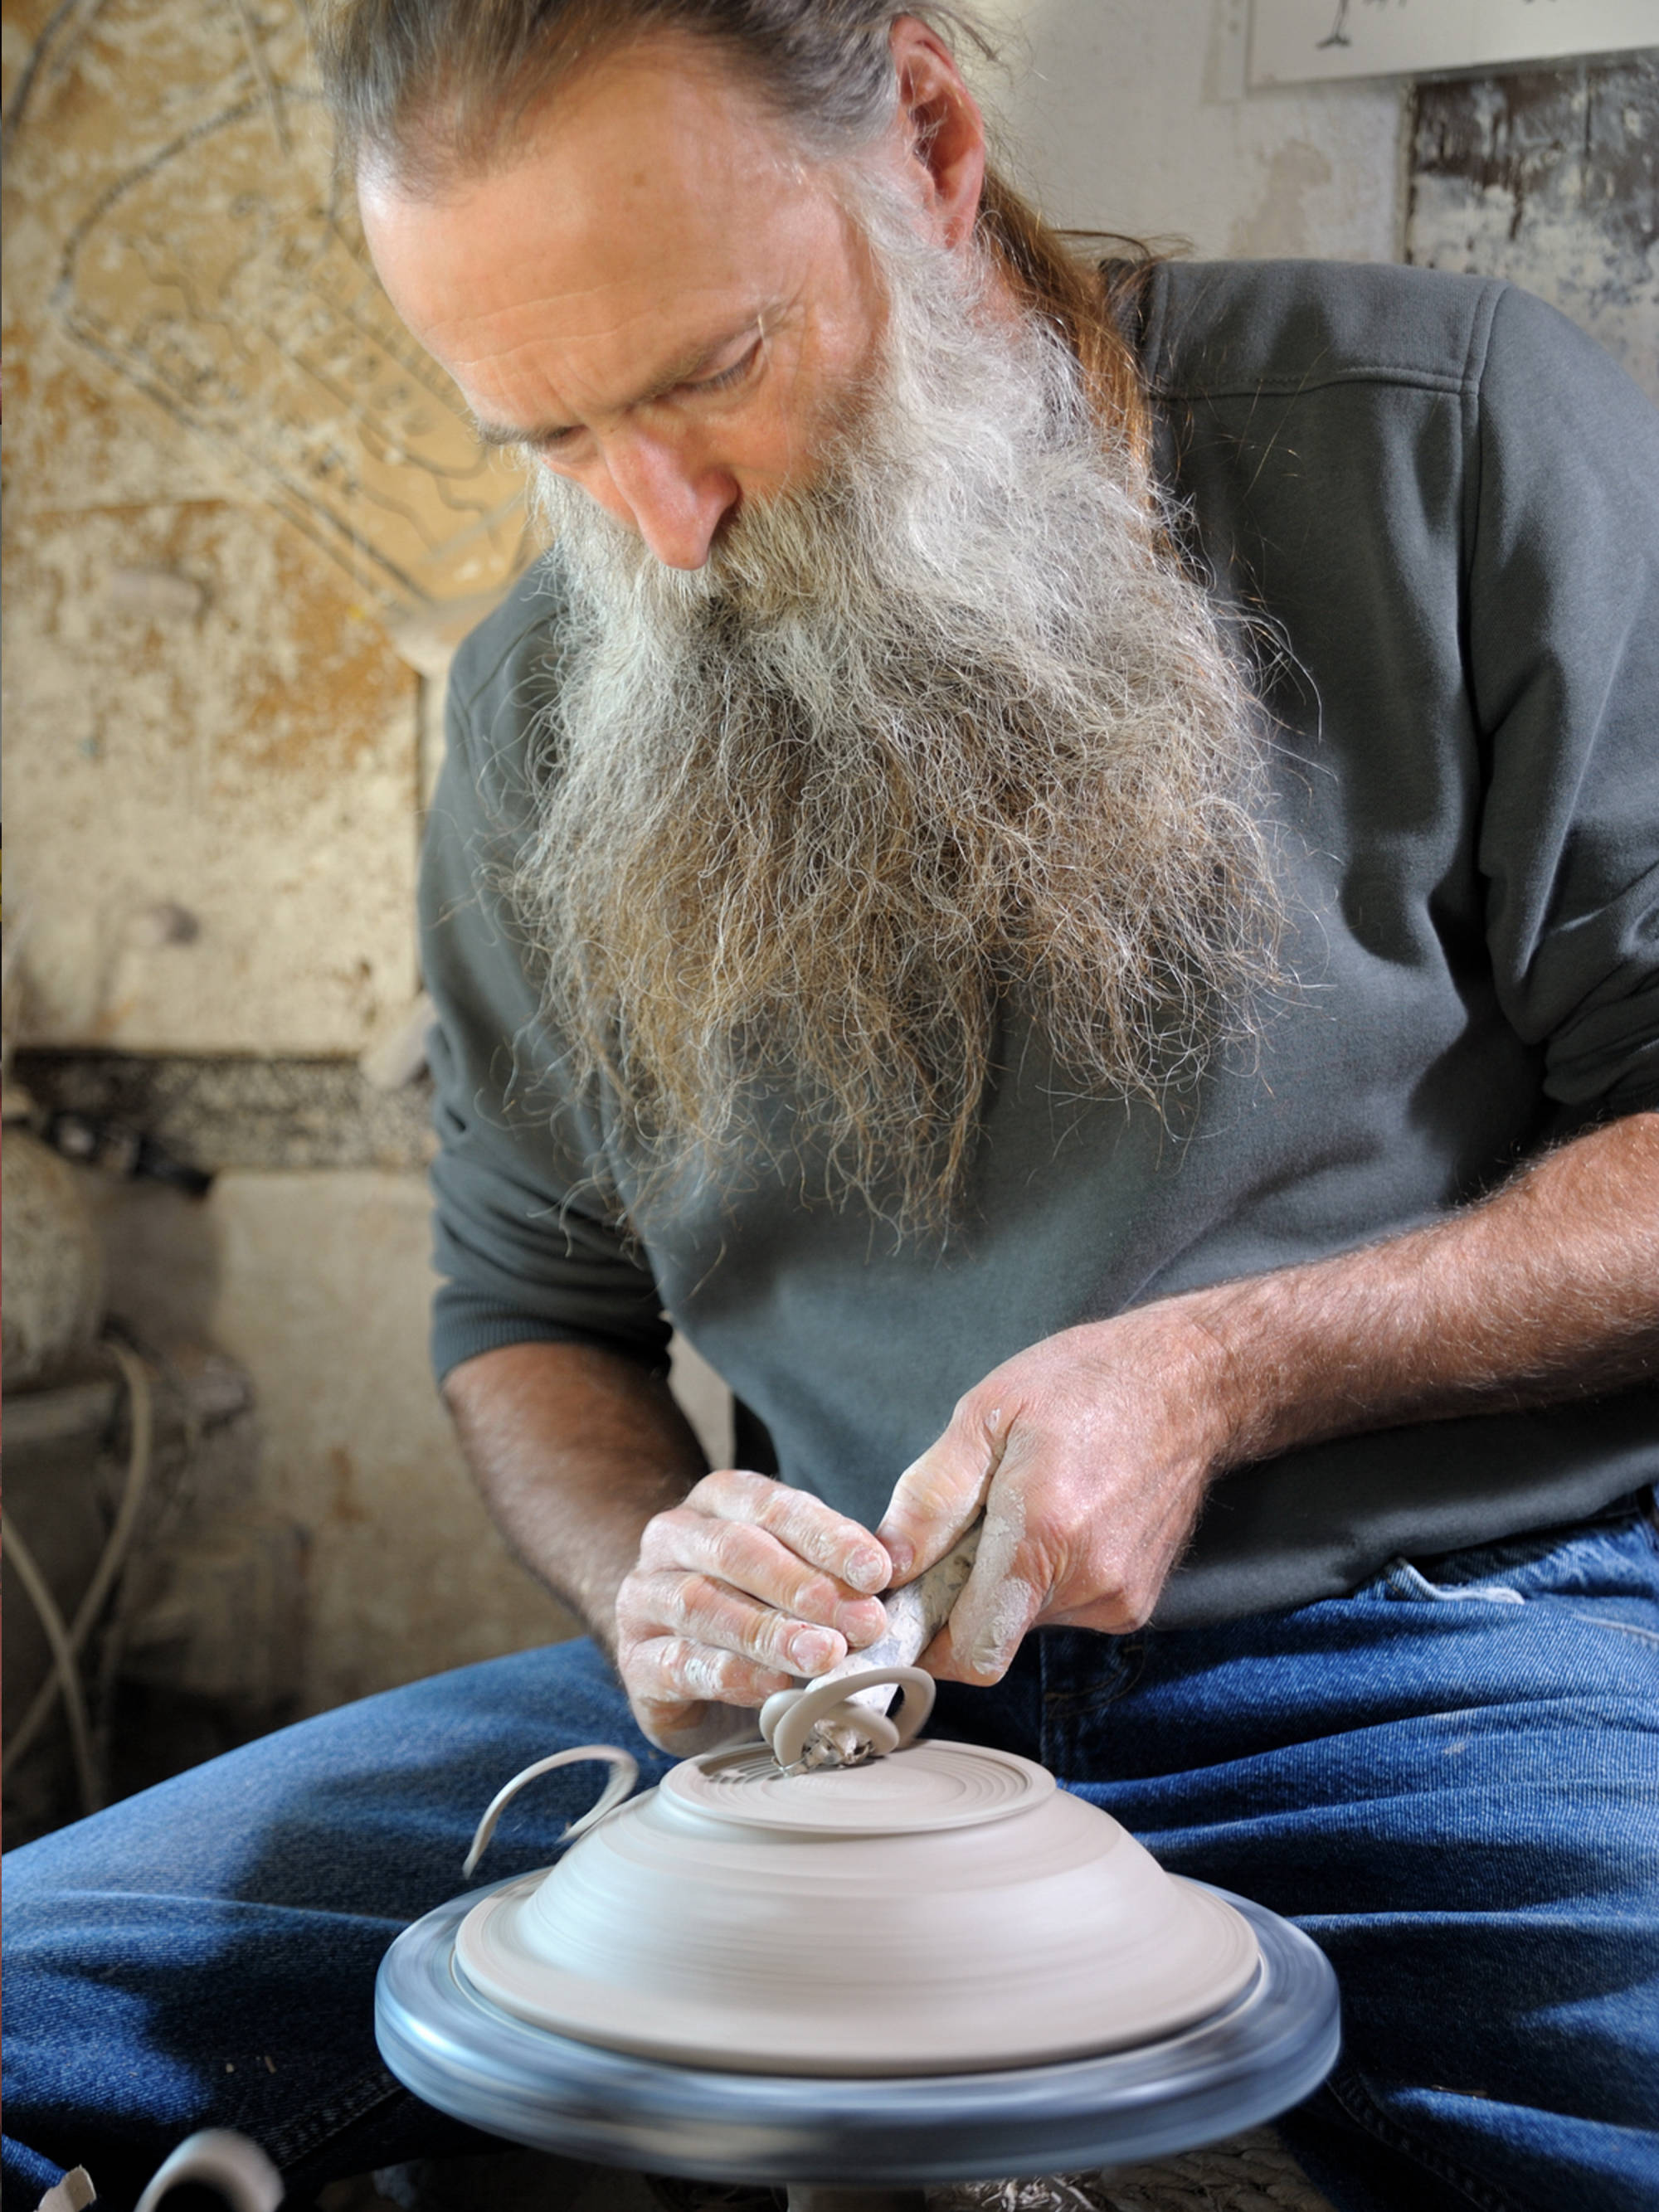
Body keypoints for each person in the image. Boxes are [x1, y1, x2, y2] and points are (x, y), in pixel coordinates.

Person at [4, 7, 1657, 2210]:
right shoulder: (535, 709)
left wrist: (1220, 1371)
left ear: (933, 142)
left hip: (1442, 1652)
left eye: (707, 371)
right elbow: (530, 1323)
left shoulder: (1447, 439)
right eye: (550, 432)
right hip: (831, 1725)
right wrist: (651, 1582)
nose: (659, 521)